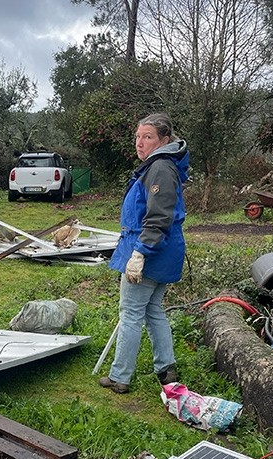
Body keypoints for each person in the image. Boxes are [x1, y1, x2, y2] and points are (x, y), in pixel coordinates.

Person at [99, 113, 190, 394]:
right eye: (138, 136)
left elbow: (159, 217)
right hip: (164, 251)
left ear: (164, 139)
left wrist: (140, 253)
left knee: (131, 314)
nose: (140, 143)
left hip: (151, 251)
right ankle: (166, 369)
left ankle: (120, 377)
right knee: (153, 311)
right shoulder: (160, 165)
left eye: (147, 136)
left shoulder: (160, 168)